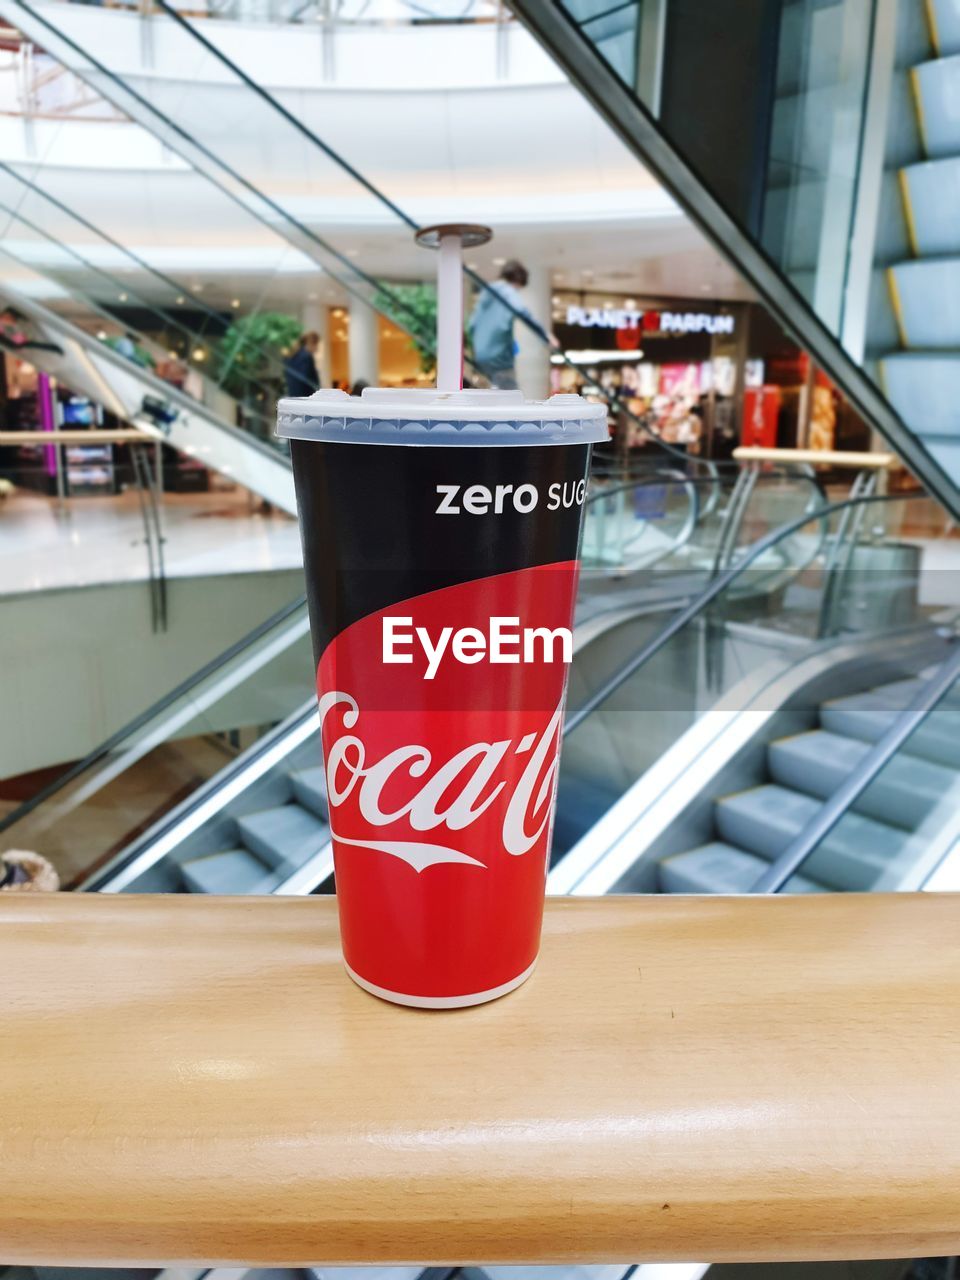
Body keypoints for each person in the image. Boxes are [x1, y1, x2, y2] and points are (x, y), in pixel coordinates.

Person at [468, 260, 552, 390]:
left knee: (493, 395)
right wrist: (545, 336)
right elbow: (521, 311)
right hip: (500, 357)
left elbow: (472, 324)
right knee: (510, 398)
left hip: (480, 356)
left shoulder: (487, 291)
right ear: (518, 281)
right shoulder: (508, 291)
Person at [284, 331, 321, 397]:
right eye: (317, 345)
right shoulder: (306, 356)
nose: (317, 348)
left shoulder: (293, 355)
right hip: (305, 396)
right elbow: (307, 379)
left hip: (294, 395)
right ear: (311, 343)